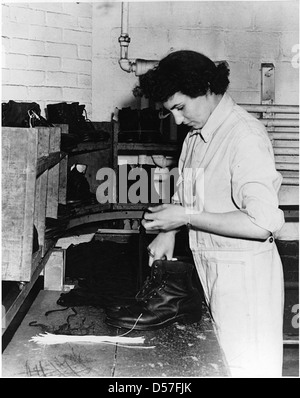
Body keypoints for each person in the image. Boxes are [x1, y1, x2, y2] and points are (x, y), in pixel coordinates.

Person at [139, 50, 285, 377]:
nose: (177, 120)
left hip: (246, 280)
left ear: (206, 88)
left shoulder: (244, 136)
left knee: (248, 370)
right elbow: (187, 193)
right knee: (218, 366)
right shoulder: (195, 135)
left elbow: (262, 224)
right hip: (212, 271)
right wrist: (168, 232)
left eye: (180, 107)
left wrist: (185, 219)